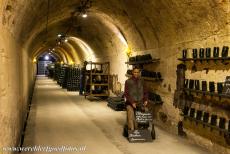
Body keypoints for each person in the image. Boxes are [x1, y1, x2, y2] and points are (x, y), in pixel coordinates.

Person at [124, 66, 148, 130]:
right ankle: (132, 130)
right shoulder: (128, 82)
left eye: (137, 72)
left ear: (139, 72)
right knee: (131, 113)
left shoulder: (142, 81)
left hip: (140, 102)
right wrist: (132, 102)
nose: (136, 73)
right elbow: (126, 94)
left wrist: (145, 100)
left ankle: (144, 128)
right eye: (135, 72)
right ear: (132, 72)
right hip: (130, 103)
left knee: (146, 111)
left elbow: (145, 92)